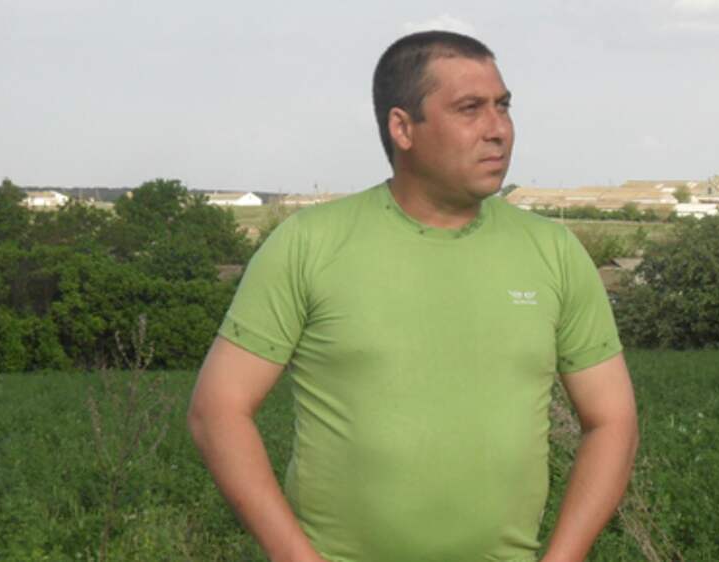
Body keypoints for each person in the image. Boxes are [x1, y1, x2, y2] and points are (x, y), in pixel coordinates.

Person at [188, 30, 639, 562]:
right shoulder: (309, 244)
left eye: (503, 106)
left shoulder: (554, 252)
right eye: (470, 109)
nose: (498, 129)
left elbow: (613, 420)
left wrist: (564, 557)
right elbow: (218, 410)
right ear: (402, 127)